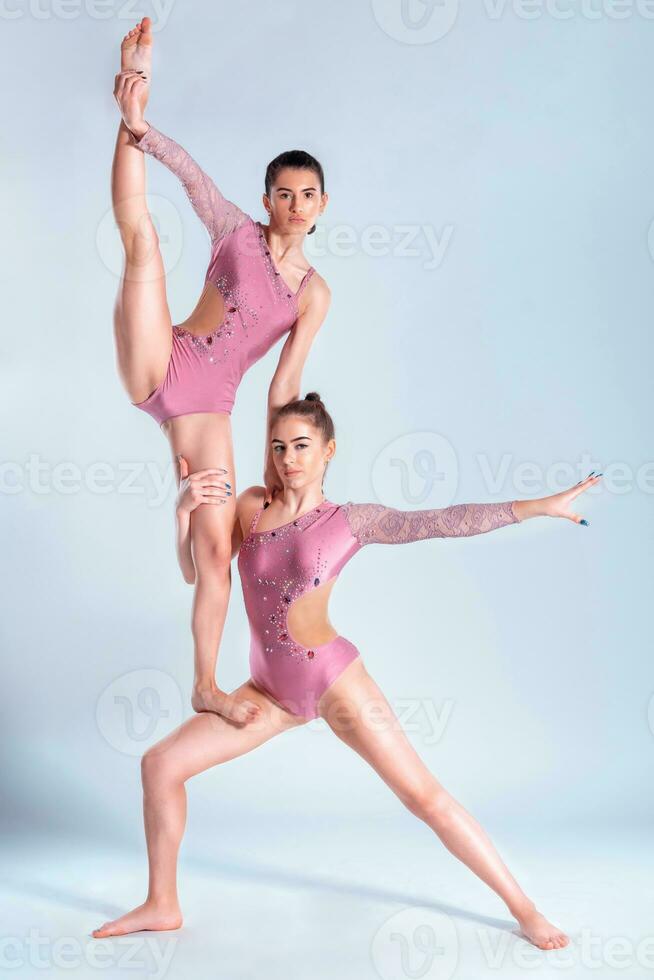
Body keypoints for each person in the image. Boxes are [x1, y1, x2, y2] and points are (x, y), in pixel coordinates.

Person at [92, 392, 602, 948]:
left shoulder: (350, 521)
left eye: (303, 446)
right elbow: (198, 574)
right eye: (280, 446)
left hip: (332, 678)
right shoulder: (251, 507)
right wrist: (183, 511)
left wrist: (539, 505)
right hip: (268, 691)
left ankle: (526, 910)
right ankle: (162, 903)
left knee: (424, 798)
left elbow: (444, 521)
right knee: (160, 765)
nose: (290, 458)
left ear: (329, 451)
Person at [111, 19, 330, 722]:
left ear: (322, 207)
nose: (295, 205)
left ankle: (205, 685)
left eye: (308, 195)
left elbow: (283, 385)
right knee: (143, 245)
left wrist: (276, 467)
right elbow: (187, 171)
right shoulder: (236, 230)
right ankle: (123, 121)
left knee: (215, 550)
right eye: (284, 193)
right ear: (267, 199)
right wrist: (138, 119)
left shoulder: (313, 293)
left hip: (211, 408)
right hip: (163, 358)